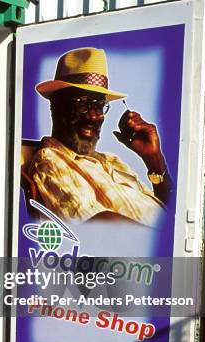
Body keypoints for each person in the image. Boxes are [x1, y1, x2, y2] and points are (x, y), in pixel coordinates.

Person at [22, 47, 173, 227]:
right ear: (56, 106)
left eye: (99, 105)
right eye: (83, 104)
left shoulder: (112, 162)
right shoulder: (51, 162)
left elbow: (170, 213)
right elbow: (103, 230)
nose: (93, 116)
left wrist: (154, 159)